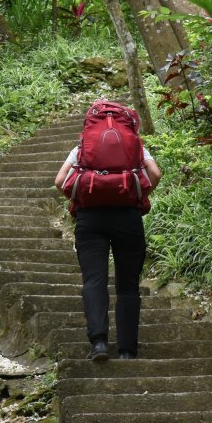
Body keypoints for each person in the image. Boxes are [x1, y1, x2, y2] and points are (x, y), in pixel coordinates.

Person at [54, 124, 161, 361]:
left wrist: (79, 201)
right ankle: (127, 351)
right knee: (128, 286)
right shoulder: (135, 145)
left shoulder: (84, 146)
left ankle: (99, 343)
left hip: (90, 218)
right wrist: (138, 196)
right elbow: (155, 174)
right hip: (128, 218)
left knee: (94, 280)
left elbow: (60, 180)